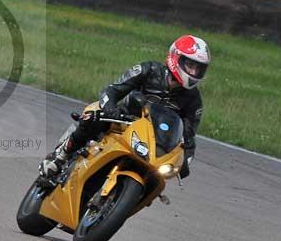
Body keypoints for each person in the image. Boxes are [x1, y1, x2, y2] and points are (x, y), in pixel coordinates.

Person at [39, 35, 210, 181]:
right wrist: (110, 107)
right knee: (93, 113)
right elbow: (112, 90)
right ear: (176, 58)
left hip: (152, 144)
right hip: (122, 121)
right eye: (190, 65)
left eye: (199, 69)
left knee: (157, 177)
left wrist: (185, 161)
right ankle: (60, 156)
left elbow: (188, 136)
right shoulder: (148, 70)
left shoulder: (194, 101)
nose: (194, 72)